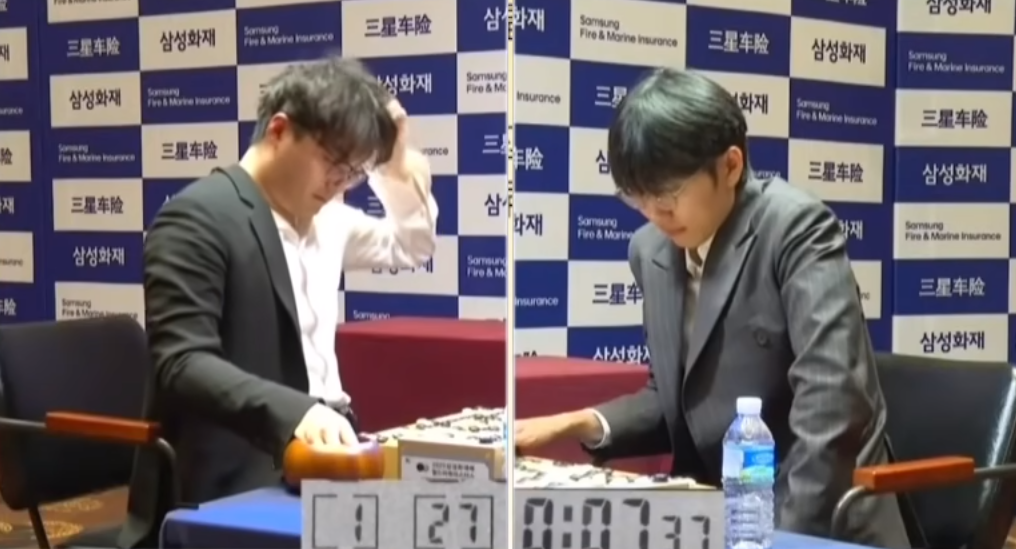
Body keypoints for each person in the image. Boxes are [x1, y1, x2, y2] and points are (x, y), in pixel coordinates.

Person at [514, 68, 909, 548]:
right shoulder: (650, 250)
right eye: (637, 198)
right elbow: (679, 399)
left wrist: (780, 539)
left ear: (731, 166)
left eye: (668, 196)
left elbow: (832, 404)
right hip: (714, 518)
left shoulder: (795, 229)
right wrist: (581, 422)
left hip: (820, 521)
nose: (655, 215)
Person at [120, 56, 437, 547]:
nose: (339, 183)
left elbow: (411, 245)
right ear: (280, 130)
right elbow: (181, 362)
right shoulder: (197, 219)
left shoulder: (330, 220)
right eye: (333, 162)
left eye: (353, 172)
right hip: (242, 472)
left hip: (327, 454)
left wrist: (395, 166)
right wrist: (298, 413)